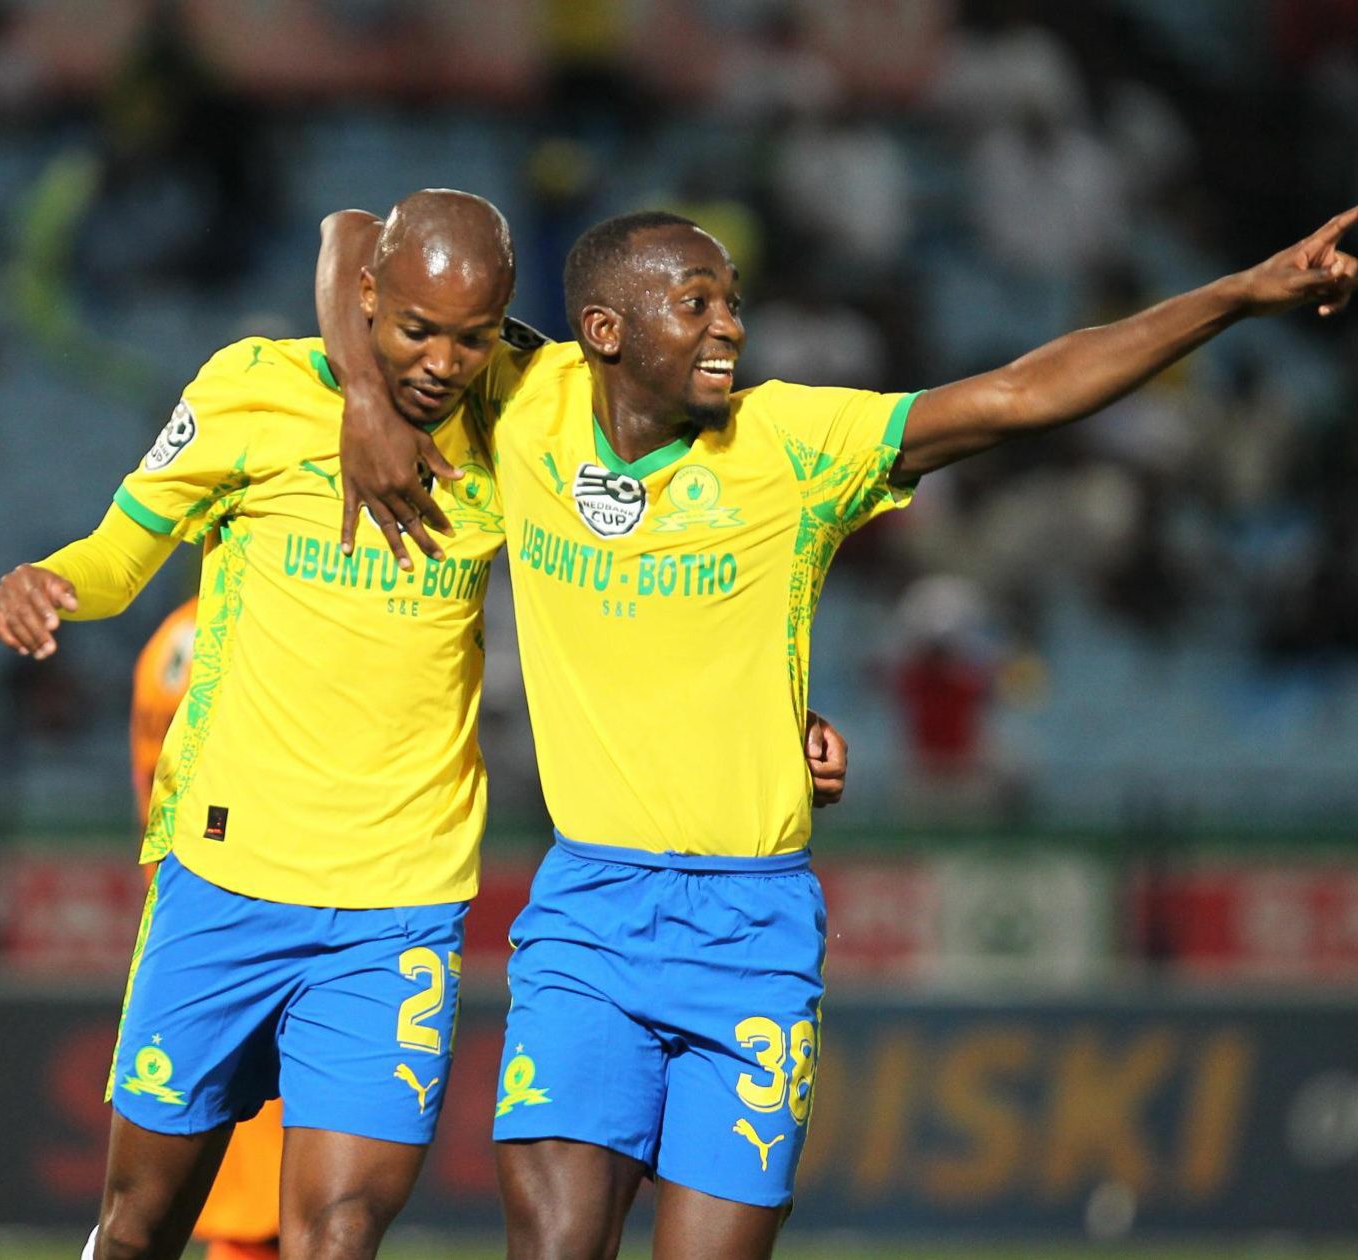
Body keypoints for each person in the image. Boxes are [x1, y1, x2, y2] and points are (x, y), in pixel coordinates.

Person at [320, 203, 1357, 1259]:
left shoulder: (794, 444)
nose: (729, 326)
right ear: (604, 329)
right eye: (695, 304)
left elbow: (1018, 394)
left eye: (732, 304)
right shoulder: (521, 395)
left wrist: (1237, 293)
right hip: (589, 913)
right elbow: (352, 238)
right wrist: (364, 398)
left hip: (750, 933)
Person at [0, 189, 854, 1260]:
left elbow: (638, 574)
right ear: (365, 299)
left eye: (473, 336)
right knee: (138, 1227)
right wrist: (50, 581)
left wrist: (769, 714)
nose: (444, 362)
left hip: (401, 901)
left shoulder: (516, 413)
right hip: (226, 879)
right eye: (414, 331)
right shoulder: (250, 390)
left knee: (340, 1230)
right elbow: (118, 555)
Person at [130, 600, 282, 1260]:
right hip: (257, 907)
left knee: (237, 1185)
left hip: (185, 903)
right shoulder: (263, 619)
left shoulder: (164, 644)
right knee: (275, 1200)